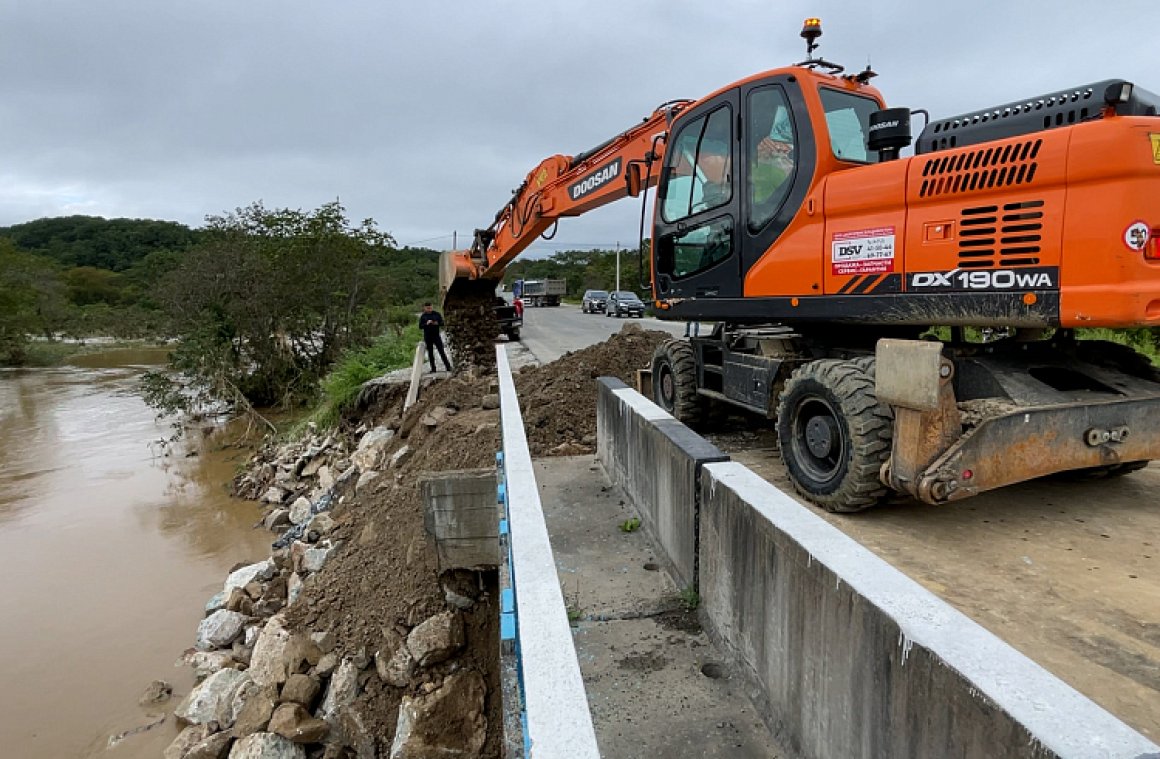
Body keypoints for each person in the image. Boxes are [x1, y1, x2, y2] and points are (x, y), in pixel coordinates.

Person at [418, 302, 452, 373]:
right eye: (427, 308)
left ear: (432, 307)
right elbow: (420, 326)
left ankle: (448, 367)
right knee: (430, 353)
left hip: (436, 335)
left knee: (441, 351)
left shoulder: (437, 314)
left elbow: (442, 323)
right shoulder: (423, 316)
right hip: (428, 336)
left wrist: (437, 323)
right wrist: (426, 324)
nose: (429, 309)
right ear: (425, 308)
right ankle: (433, 369)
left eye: (430, 308)